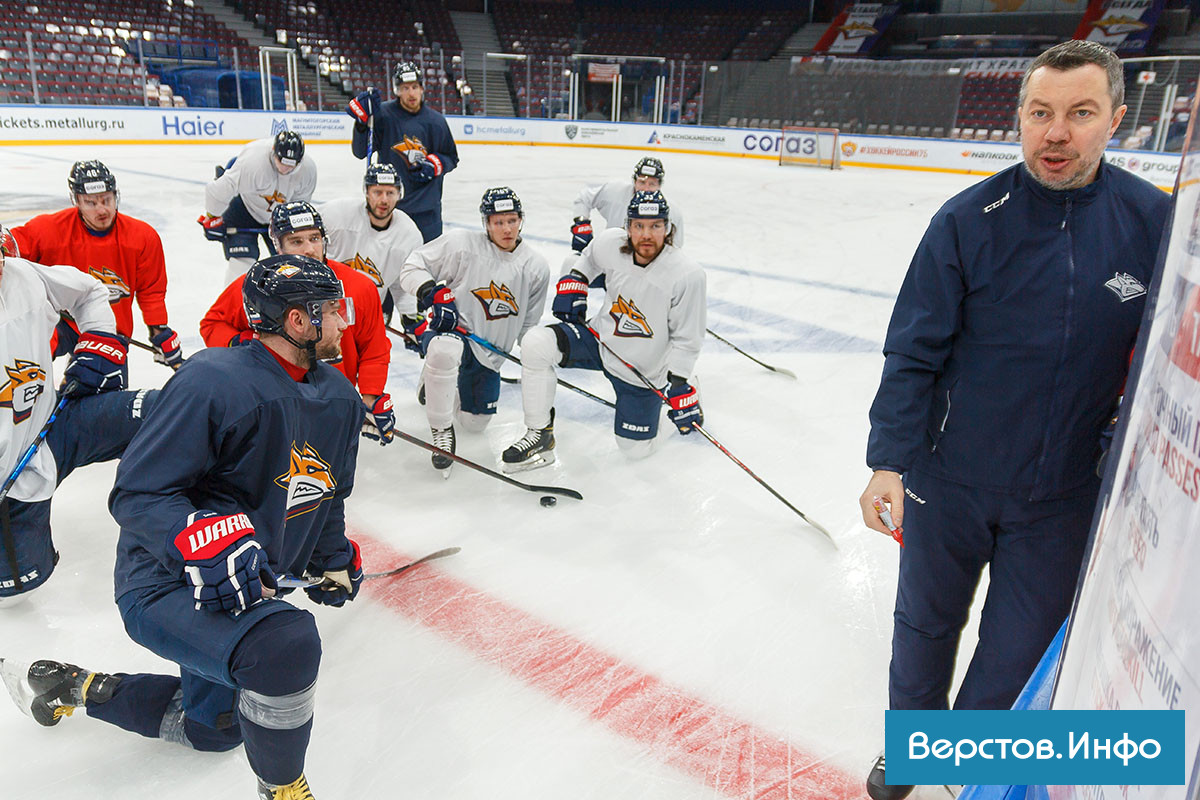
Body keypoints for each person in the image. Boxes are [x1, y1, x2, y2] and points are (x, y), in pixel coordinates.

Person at [857, 40, 1172, 800]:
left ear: (1116, 121)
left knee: (1017, 650)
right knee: (924, 629)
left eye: (1079, 113)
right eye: (1040, 113)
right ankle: (913, 743)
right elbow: (913, 349)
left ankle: (959, 761)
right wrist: (888, 460)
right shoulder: (967, 220)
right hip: (950, 479)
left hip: (1060, 495)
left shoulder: (1152, 222)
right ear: (1021, 120)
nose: (1056, 132)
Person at [2, 253, 364, 800]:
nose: (344, 322)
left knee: (216, 729)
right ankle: (284, 789)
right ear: (298, 320)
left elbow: (326, 491)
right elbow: (138, 495)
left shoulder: (339, 396)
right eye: (334, 310)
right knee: (284, 646)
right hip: (166, 582)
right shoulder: (210, 381)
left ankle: (72, 686)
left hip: (245, 584)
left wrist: (332, 557)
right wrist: (207, 540)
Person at [0, 224, 159, 604]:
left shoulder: (24, 274)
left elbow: (89, 290)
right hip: (13, 483)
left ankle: (185, 520)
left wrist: (99, 340)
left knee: (165, 414)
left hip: (55, 425)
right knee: (17, 594)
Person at [502, 190, 705, 472]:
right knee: (536, 343)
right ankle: (540, 435)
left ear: (668, 228)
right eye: (639, 226)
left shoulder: (687, 275)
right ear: (627, 226)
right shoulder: (611, 242)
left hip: (642, 370)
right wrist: (577, 280)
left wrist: (680, 381)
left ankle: (666, 410)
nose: (646, 235)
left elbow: (688, 339)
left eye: (655, 226)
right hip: (599, 341)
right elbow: (588, 257)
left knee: (634, 450)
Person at [200, 202, 394, 446]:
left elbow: (374, 347)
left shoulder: (360, 287)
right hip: (270, 407)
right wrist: (244, 344)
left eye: (314, 238)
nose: (310, 250)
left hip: (332, 405)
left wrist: (370, 396)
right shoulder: (258, 285)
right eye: (296, 241)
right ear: (278, 247)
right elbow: (213, 324)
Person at [396, 187, 549, 474]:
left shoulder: (536, 266)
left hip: (490, 354)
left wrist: (533, 361)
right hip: (454, 333)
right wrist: (431, 291)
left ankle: (440, 383)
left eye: (512, 220)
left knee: (474, 424)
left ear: (521, 220)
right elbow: (412, 266)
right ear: (486, 223)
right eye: (498, 222)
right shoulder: (461, 245)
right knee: (444, 351)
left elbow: (529, 322)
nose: (506, 228)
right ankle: (441, 432)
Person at [12, 160, 181, 369]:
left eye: (106, 200)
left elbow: (151, 291)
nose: (102, 210)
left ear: (116, 195)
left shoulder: (142, 237)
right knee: (27, 359)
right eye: (91, 203)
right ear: (77, 201)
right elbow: (12, 246)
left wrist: (159, 330)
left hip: (109, 328)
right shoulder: (49, 230)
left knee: (104, 393)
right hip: (61, 320)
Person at [347, 61, 459, 243]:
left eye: (415, 87)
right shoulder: (383, 114)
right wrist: (361, 123)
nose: (411, 93)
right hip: (390, 207)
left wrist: (434, 165)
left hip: (427, 210)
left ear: (422, 89)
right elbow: (360, 152)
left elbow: (451, 157)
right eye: (405, 88)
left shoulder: (436, 122)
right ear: (396, 90)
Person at [200, 131, 317, 284]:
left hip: (279, 217)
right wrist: (212, 215)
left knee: (292, 265)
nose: (285, 169)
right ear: (274, 151)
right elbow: (222, 188)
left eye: (291, 165)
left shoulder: (307, 170)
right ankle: (236, 304)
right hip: (244, 210)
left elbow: (299, 206)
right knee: (241, 266)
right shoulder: (253, 161)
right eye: (282, 162)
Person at [318, 163, 424, 321]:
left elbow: (403, 280)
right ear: (366, 192)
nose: (384, 200)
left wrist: (409, 315)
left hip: (369, 311)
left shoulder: (409, 235)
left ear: (399, 194)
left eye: (390, 193)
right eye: (377, 192)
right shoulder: (336, 214)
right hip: (327, 308)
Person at [568, 157, 686, 264]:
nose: (646, 188)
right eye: (642, 182)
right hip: (609, 262)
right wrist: (581, 223)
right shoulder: (615, 191)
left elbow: (674, 250)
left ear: (660, 185)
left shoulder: (672, 212)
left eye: (652, 184)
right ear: (634, 181)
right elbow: (584, 198)